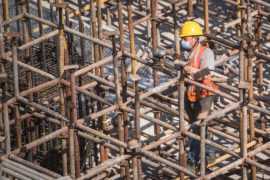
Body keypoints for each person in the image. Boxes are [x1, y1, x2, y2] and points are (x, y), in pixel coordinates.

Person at [172, 21, 219, 172]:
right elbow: (171, 57)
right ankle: (209, 155)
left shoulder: (206, 53)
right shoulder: (183, 51)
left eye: (186, 39)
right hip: (189, 94)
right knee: (197, 128)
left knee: (198, 127)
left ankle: (192, 161)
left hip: (204, 94)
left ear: (195, 38)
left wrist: (186, 68)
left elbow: (202, 74)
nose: (183, 41)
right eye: (183, 39)